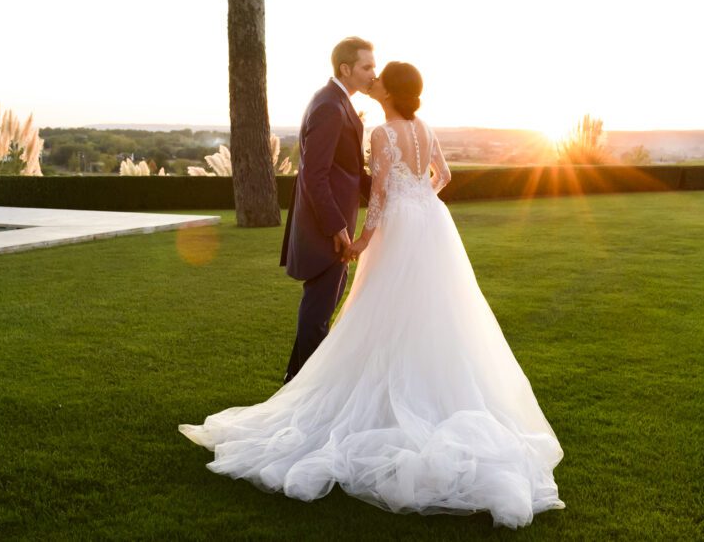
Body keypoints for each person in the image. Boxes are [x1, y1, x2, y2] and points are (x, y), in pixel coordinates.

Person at [181, 61, 564, 529]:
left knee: (381, 311)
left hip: (402, 225)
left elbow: (379, 194)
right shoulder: (424, 126)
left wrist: (365, 238)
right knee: (434, 312)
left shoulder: (383, 133)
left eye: (381, 76)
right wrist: (421, 196)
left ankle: (385, 397)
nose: (374, 79)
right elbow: (442, 175)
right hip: (432, 223)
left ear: (391, 90)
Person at [278, 37, 375, 384]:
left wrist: (386, 192)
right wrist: (337, 228)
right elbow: (314, 175)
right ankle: (306, 388)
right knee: (318, 311)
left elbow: (349, 171)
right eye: (366, 67)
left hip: (332, 222)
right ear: (345, 69)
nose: (372, 74)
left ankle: (295, 380)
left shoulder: (337, 102)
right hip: (324, 227)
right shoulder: (329, 107)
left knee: (320, 309)